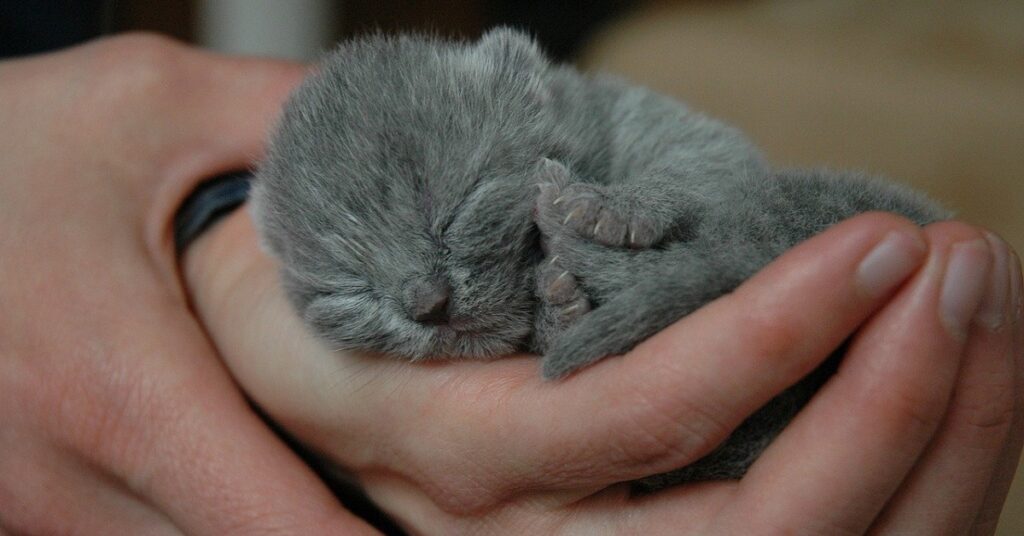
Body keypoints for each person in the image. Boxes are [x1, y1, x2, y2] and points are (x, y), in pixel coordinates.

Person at [1, 34, 1020, 535]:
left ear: (522, 85)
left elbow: (721, 172)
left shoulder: (569, 117)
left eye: (451, 221)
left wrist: (196, 211)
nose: (423, 298)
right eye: (353, 287)